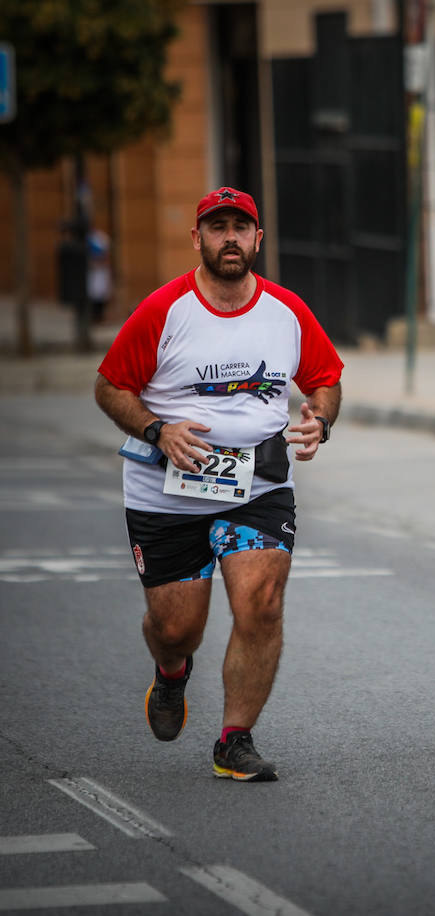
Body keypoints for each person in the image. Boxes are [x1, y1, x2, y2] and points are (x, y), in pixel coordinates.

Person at [94, 187, 344, 782]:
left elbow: (324, 378)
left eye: (241, 227)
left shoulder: (286, 310)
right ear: (198, 240)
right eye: (217, 227)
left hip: (258, 482)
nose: (229, 237)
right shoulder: (163, 310)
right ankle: (172, 671)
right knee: (179, 628)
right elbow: (109, 387)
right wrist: (157, 429)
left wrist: (320, 421)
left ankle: (235, 740)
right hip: (166, 488)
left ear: (259, 239)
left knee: (261, 603)